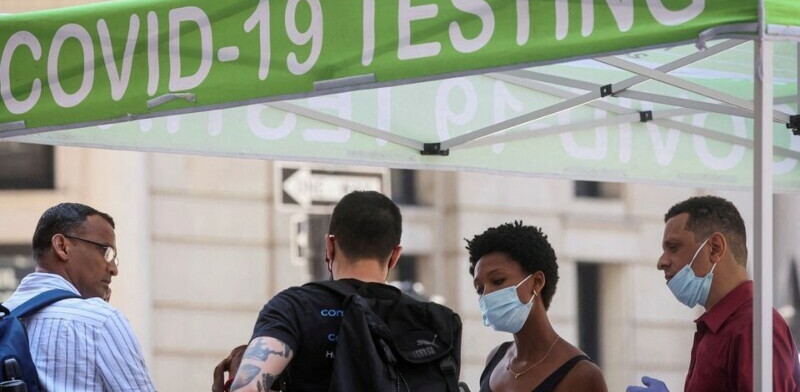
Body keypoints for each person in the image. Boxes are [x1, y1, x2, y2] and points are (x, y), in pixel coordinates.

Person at [213, 190, 446, 392]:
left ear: (329, 246)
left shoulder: (294, 307)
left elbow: (247, 387)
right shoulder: (430, 320)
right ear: (395, 255)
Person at [627, 195, 800, 392]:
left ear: (715, 248)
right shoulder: (722, 327)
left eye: (673, 248)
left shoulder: (754, 327)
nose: (661, 262)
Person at [2, 202, 156, 391]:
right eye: (105, 251)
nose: (113, 269)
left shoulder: (5, 315)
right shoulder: (99, 321)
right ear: (62, 246)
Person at [466, 221, 607, 392]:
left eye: (498, 281)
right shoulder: (496, 358)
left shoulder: (581, 374)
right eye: (480, 289)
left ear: (537, 282)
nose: (487, 295)